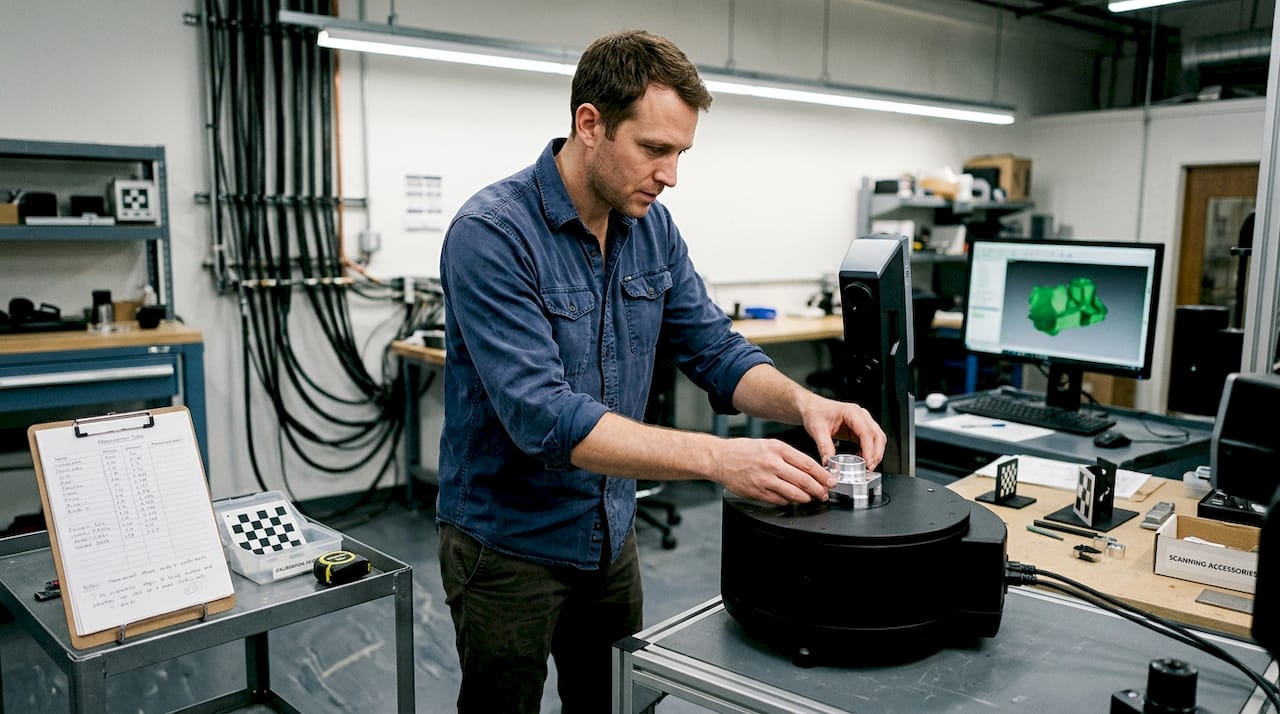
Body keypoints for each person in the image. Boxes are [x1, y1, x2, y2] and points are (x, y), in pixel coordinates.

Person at [436, 28, 887, 713]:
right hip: (507, 545)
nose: (671, 174)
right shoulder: (492, 235)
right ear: (591, 124)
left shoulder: (652, 228)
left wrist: (804, 404)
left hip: (607, 533)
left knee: (615, 703)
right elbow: (544, 418)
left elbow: (715, 350)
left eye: (681, 152)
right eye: (654, 149)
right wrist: (719, 457)